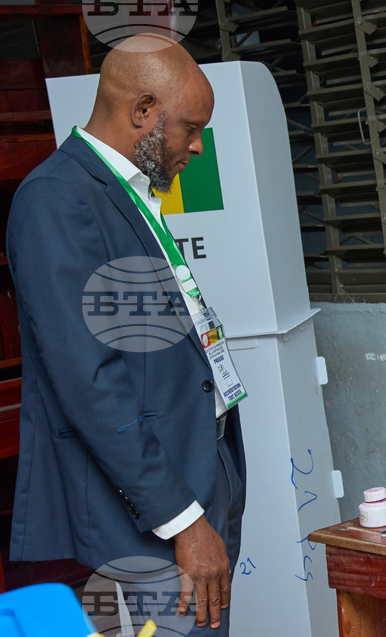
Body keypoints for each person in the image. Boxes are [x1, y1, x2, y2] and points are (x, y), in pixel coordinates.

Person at [7, 34, 246, 634]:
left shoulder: (131, 192)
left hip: (197, 464)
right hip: (146, 510)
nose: (197, 145)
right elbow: (88, 380)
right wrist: (183, 519)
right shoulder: (55, 201)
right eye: (190, 127)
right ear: (142, 111)